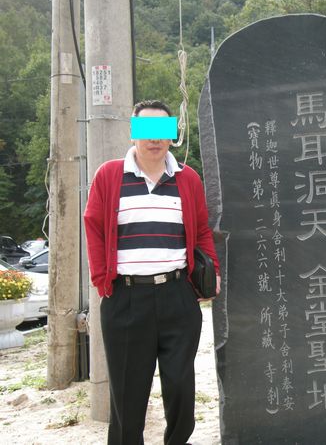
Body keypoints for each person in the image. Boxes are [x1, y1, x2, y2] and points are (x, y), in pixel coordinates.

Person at [84, 99, 220, 445]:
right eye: (147, 130)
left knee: (180, 386)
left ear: (172, 134)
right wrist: (101, 280)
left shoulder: (187, 178)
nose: (154, 139)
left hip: (177, 296)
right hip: (126, 298)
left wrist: (212, 271)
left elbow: (202, 230)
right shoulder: (110, 175)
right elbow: (94, 226)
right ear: (134, 133)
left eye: (162, 130)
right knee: (128, 394)